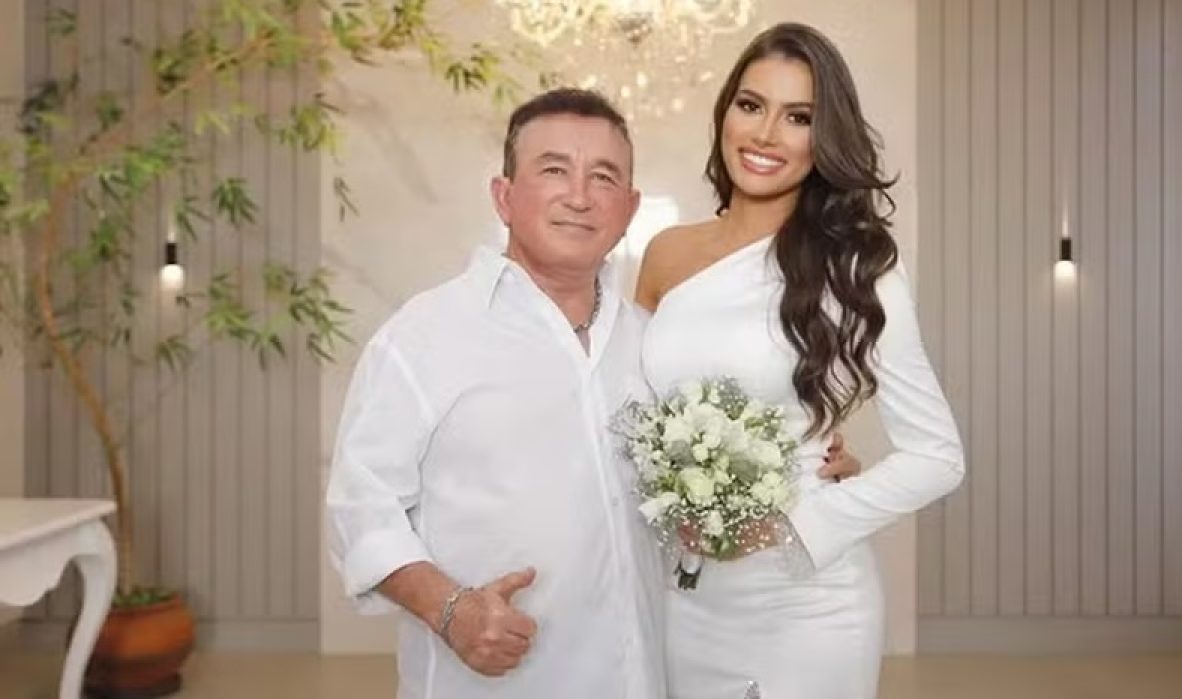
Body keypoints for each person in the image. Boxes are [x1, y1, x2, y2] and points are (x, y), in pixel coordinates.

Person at [325, 87, 863, 699]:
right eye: (554, 170)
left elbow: (717, 466)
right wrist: (450, 609)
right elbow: (361, 508)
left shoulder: (654, 344)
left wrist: (813, 465)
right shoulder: (425, 335)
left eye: (603, 177)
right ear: (504, 196)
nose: (579, 197)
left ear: (629, 208)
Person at [635, 23, 965, 699]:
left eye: (799, 117)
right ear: (725, 111)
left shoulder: (857, 269)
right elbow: (628, 410)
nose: (765, 135)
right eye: (751, 105)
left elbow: (938, 456)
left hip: (808, 602)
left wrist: (795, 525)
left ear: (825, 139)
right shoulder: (667, 252)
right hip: (686, 597)